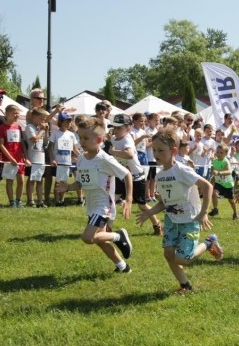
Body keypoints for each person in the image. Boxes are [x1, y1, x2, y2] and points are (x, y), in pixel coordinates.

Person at [137, 127, 223, 293]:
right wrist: (149, 213)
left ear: (173, 151)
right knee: (169, 254)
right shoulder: (160, 175)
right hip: (171, 220)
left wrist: (203, 212)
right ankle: (185, 286)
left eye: (160, 150)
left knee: (184, 259)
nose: (156, 154)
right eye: (154, 150)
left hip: (190, 220)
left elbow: (207, 186)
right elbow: (164, 202)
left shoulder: (182, 170)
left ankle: (208, 242)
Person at [56, 116, 134, 273]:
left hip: (104, 205)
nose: (82, 141)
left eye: (86, 138)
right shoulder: (81, 159)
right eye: (80, 137)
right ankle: (122, 266)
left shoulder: (105, 159)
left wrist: (129, 199)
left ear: (99, 139)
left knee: (87, 237)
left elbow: (127, 175)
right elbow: (80, 183)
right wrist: (68, 187)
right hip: (91, 205)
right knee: (100, 240)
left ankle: (118, 236)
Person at [109, 114, 160, 235]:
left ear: (128, 128)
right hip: (122, 176)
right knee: (112, 201)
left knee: (142, 205)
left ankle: (157, 224)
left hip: (137, 177)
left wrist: (113, 152)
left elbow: (130, 154)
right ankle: (107, 228)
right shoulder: (113, 138)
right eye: (114, 128)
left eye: (119, 128)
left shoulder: (127, 139)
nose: (116, 130)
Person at [0, 104, 27, 208]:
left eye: (18, 113)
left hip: (19, 158)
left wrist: (26, 157)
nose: (17, 115)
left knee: (21, 180)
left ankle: (18, 201)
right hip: (9, 158)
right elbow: (1, 144)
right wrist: (10, 158)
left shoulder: (18, 127)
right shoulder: (2, 127)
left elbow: (21, 143)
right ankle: (11, 202)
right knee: (10, 180)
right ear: (7, 114)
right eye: (14, 113)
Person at [50, 112, 79, 206]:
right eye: (67, 121)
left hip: (67, 162)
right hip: (58, 161)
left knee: (64, 181)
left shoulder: (71, 134)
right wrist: (52, 159)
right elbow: (50, 147)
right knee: (58, 181)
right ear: (61, 122)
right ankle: (56, 200)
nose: (69, 123)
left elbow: (74, 148)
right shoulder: (55, 133)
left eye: (70, 121)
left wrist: (81, 156)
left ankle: (62, 200)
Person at [23, 108, 48, 207]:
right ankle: (30, 200)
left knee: (40, 179)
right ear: (34, 117)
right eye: (42, 118)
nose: (43, 121)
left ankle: (40, 201)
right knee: (32, 179)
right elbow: (34, 139)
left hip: (41, 156)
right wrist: (42, 130)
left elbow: (45, 143)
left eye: (45, 119)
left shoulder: (40, 128)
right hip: (32, 156)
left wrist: (46, 131)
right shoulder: (29, 127)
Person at [209, 143, 238, 220]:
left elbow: (229, 171)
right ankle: (215, 209)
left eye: (221, 153)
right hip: (219, 183)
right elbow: (213, 172)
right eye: (217, 152)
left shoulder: (226, 161)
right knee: (214, 193)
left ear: (225, 154)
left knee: (231, 201)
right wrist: (211, 180)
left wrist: (219, 173)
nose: (218, 154)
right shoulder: (214, 161)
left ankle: (235, 213)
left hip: (228, 184)